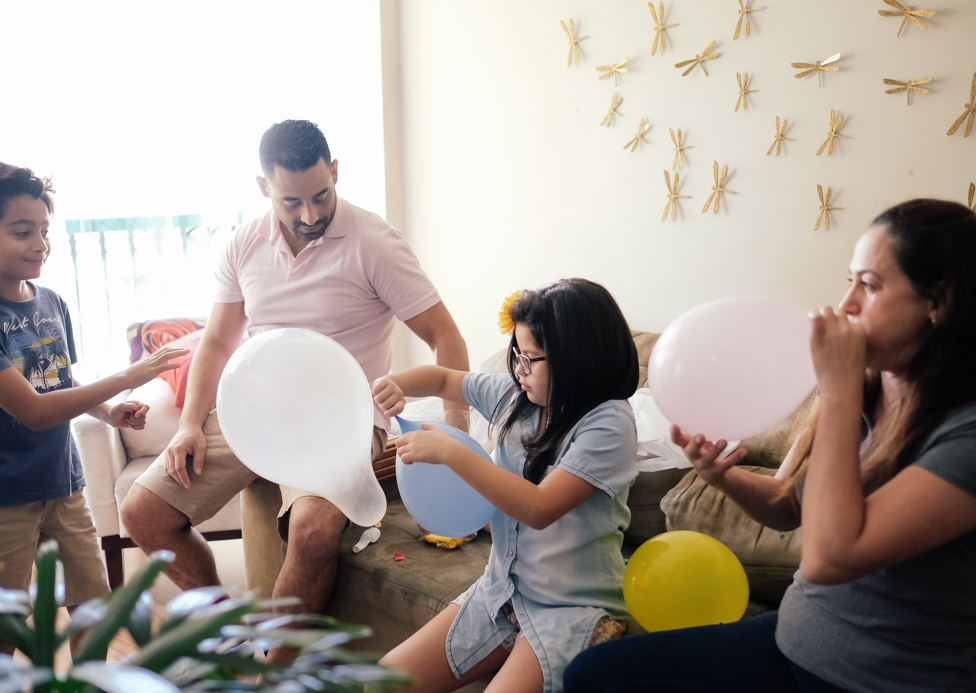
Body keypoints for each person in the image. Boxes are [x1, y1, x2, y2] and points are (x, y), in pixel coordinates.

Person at [563, 199, 976, 693]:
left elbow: (829, 558)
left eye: (869, 285)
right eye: (850, 280)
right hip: (793, 638)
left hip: (872, 680)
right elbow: (787, 506)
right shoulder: (870, 391)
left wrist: (839, 389)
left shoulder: (963, 434)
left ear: (940, 303)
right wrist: (719, 473)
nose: (845, 305)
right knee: (591, 675)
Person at [119, 120, 469, 660]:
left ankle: (275, 675)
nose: (309, 215)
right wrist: (190, 422)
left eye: (320, 196)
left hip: (343, 419)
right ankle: (233, 633)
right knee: (142, 512)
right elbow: (215, 342)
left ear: (334, 172)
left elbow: (445, 336)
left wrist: (457, 434)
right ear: (263, 188)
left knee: (311, 529)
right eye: (291, 202)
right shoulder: (242, 244)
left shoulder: (374, 243)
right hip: (253, 412)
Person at [0, 161, 185, 653]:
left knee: (92, 607)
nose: (40, 244)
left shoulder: (50, 302)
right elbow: (34, 410)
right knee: (0, 625)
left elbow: (56, 376)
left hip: (62, 484)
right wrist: (129, 375)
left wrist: (111, 411)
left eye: (45, 231)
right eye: (22, 231)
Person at [372, 278, 640, 693]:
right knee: (386, 681)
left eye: (532, 358)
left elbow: (539, 509)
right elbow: (444, 379)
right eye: (516, 354)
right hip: (501, 590)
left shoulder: (608, 423)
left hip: (569, 606)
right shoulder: (517, 396)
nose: (519, 369)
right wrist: (399, 384)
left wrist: (452, 452)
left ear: (577, 358)